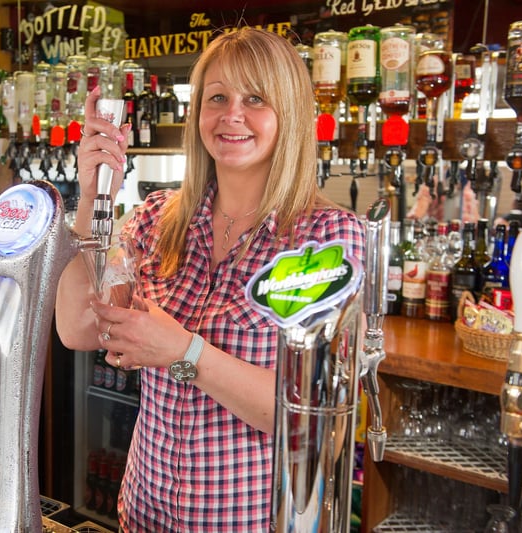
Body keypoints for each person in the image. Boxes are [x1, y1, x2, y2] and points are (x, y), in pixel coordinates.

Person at [55, 27, 366, 531]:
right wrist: (94, 198)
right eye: (217, 97)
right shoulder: (155, 220)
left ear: (288, 114)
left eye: (255, 99)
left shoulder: (323, 241)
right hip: (144, 514)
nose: (232, 115)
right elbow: (80, 328)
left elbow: (311, 417)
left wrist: (184, 351)